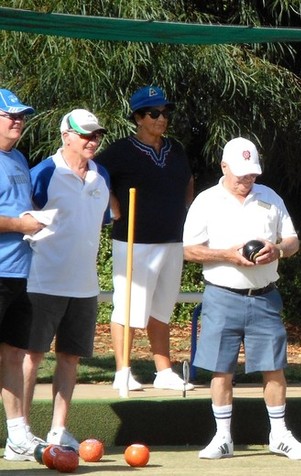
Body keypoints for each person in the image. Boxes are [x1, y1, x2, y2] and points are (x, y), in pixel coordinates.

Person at [184, 137, 301, 460]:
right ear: (224, 167)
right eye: (241, 174)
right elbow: (188, 250)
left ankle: (279, 435)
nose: (247, 180)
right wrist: (226, 255)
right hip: (221, 296)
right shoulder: (206, 201)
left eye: (252, 174)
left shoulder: (270, 197)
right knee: (221, 368)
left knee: (273, 367)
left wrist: (278, 249)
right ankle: (223, 437)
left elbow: (293, 240)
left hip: (265, 297)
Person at [96, 85, 194, 392]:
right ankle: (122, 370)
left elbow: (188, 180)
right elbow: (95, 174)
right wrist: (111, 204)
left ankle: (163, 370)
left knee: (162, 307)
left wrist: (186, 210)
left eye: (165, 112)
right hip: (134, 241)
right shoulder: (120, 151)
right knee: (128, 307)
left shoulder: (175, 149)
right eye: (154, 113)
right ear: (138, 118)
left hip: (172, 239)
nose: (161, 118)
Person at [21, 109, 111, 449]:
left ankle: (58, 429)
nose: (93, 140)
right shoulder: (43, 172)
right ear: (66, 136)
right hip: (42, 281)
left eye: (96, 135)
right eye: (85, 134)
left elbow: (95, 223)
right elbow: (22, 219)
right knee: (32, 356)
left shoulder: (101, 176)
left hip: (85, 286)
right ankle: (22, 431)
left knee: (70, 357)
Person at [0, 88, 46, 462]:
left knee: (14, 354)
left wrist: (38, 223)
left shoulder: (17, 159)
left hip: (20, 271)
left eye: (21, 115)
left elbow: (23, 210)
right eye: (9, 115)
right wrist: (20, 223)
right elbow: (16, 217)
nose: (17, 121)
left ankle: (16, 436)